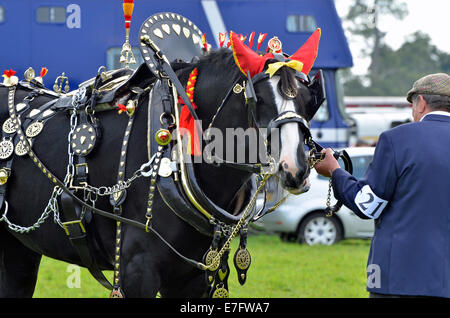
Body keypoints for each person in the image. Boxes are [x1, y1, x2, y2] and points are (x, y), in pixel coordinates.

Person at [314, 73, 450, 298]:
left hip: (398, 279)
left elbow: (367, 206)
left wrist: (335, 172)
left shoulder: (397, 139)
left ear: (422, 103)